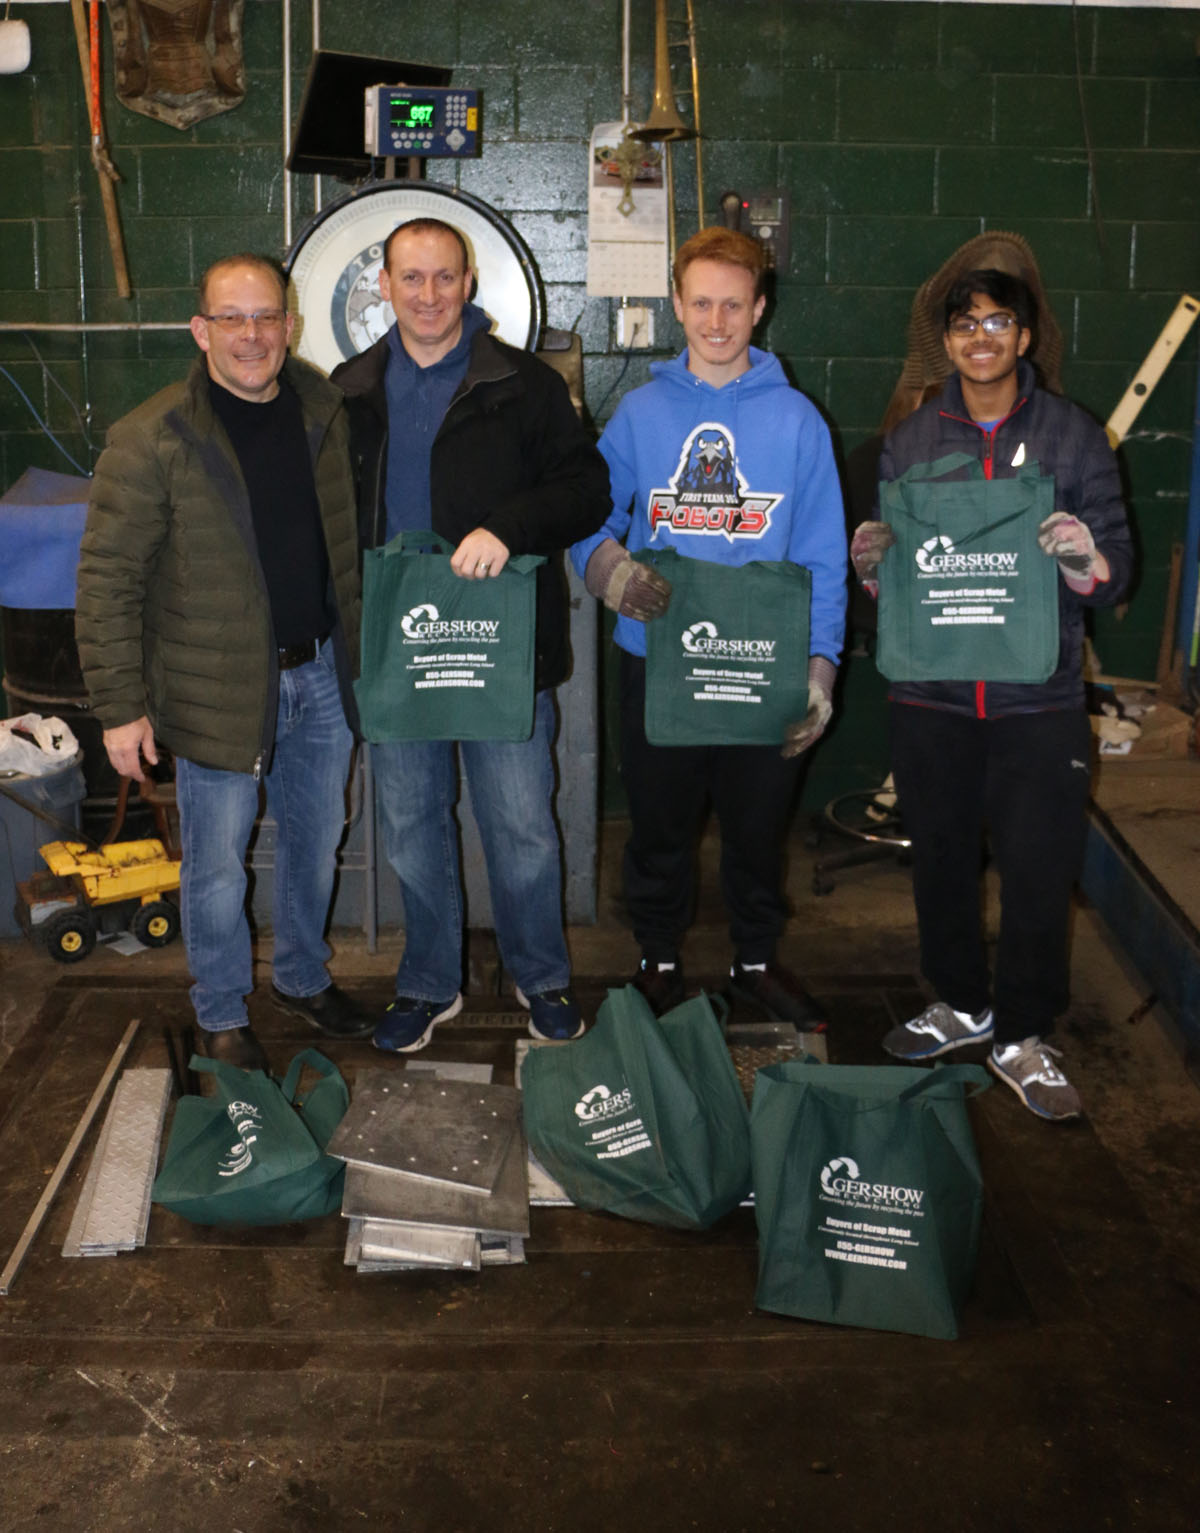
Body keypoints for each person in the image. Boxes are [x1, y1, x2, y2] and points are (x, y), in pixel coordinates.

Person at [853, 268, 1134, 1121]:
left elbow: (1115, 572)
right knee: (938, 861)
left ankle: (1023, 1033)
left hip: (1036, 703)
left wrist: (1085, 555)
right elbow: (896, 578)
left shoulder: (1075, 437)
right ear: (947, 341)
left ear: (1024, 336)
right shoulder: (908, 441)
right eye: (965, 324)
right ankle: (962, 1004)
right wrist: (873, 568)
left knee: (1039, 871)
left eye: (999, 322)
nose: (982, 338)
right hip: (932, 700)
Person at [76, 253, 367, 1071]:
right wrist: (119, 706)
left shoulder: (325, 413)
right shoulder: (151, 437)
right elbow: (106, 581)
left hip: (319, 676)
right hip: (213, 689)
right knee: (214, 868)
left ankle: (303, 979)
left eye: (266, 316)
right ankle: (221, 1012)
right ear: (200, 330)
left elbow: (345, 553)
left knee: (316, 843)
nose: (251, 335)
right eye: (232, 318)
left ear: (290, 324)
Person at [332, 218, 611, 1051]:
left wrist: (509, 526)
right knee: (414, 827)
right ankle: (428, 984)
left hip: (501, 651)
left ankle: (542, 977)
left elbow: (587, 488)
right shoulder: (350, 391)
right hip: (399, 648)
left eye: (443, 277)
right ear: (382, 284)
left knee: (522, 825)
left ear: (470, 281)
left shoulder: (524, 385)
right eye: (410, 278)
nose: (427, 295)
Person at [571, 227, 847, 1027]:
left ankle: (755, 962)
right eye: (701, 303)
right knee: (659, 826)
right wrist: (608, 570)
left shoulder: (798, 422)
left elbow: (825, 555)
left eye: (734, 304)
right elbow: (589, 513)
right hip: (658, 664)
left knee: (758, 830)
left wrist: (820, 670)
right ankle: (656, 960)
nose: (717, 321)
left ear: (759, 310)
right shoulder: (641, 412)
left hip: (763, 665)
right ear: (678, 305)